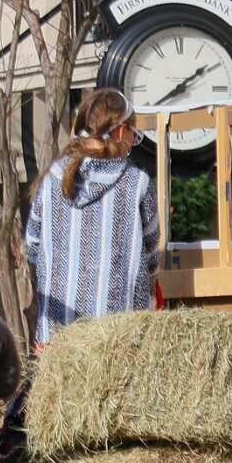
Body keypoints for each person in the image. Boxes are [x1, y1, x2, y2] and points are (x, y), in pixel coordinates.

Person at [24, 88, 161, 346]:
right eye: (133, 133)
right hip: (119, 338)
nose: (133, 140)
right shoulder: (137, 184)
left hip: (59, 336)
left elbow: (32, 247)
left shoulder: (51, 180)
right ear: (120, 131)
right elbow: (152, 257)